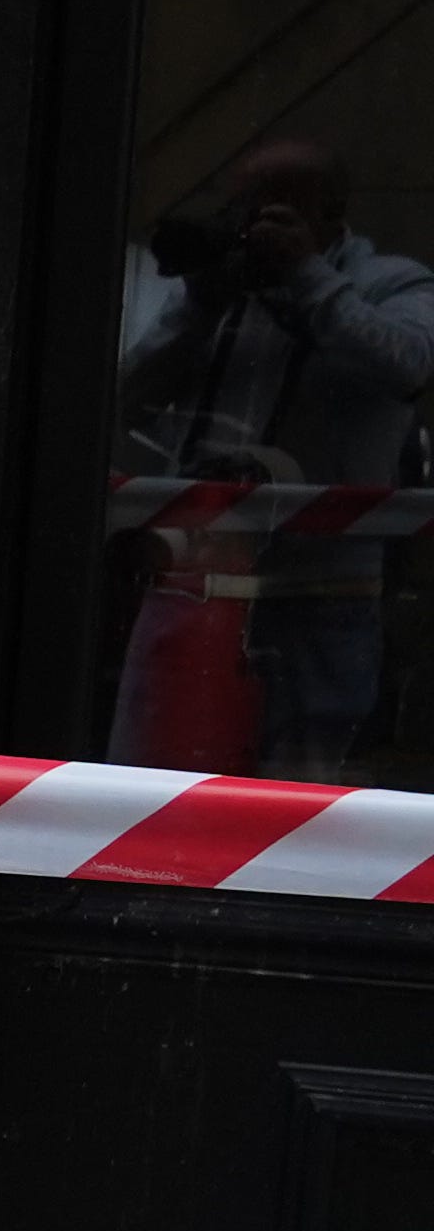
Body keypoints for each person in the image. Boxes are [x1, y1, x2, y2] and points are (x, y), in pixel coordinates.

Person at [113, 136, 434, 776]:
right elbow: (129, 398)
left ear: (327, 214)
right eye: (243, 208)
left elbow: (410, 364)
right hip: (193, 580)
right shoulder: (224, 291)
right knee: (158, 777)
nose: (253, 227)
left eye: (273, 210)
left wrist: (308, 277)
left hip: (322, 587)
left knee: (302, 787)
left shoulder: (391, 283)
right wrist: (200, 305)